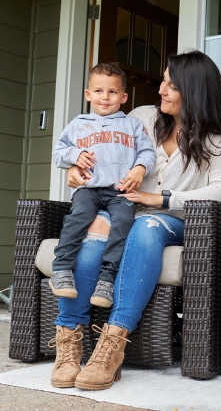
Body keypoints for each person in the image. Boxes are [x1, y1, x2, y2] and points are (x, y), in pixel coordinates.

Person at [49, 51, 221, 391]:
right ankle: (69, 341)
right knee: (92, 240)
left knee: (146, 227)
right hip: (122, 209)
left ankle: (114, 343)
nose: (161, 90)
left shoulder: (217, 138)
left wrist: (162, 199)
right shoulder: (141, 118)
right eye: (163, 81)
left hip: (172, 220)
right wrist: (78, 171)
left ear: (193, 90)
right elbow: (100, 154)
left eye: (170, 84)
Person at [49, 63, 156, 308]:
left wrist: (139, 168)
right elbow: (58, 153)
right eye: (98, 91)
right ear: (88, 94)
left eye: (112, 92)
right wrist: (75, 156)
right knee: (79, 217)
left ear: (123, 97)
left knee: (122, 225)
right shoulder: (79, 123)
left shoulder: (132, 125)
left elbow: (148, 153)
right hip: (88, 189)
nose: (105, 98)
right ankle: (62, 269)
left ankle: (106, 281)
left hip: (121, 191)